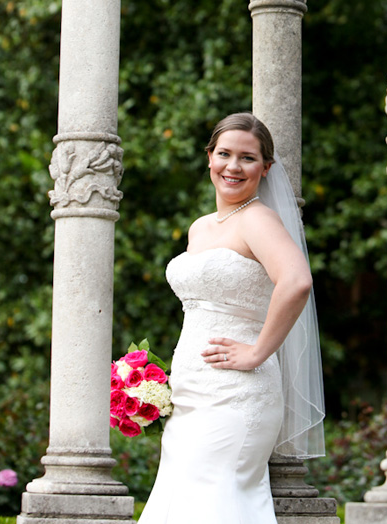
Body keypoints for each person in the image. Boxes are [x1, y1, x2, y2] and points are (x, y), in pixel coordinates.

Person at [138, 112, 325, 524]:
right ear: (209, 158)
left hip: (235, 394)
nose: (233, 167)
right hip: (191, 390)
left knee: (215, 503)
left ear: (266, 168)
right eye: (224, 154)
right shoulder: (200, 228)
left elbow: (295, 282)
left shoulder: (259, 219)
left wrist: (258, 351)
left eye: (247, 158)